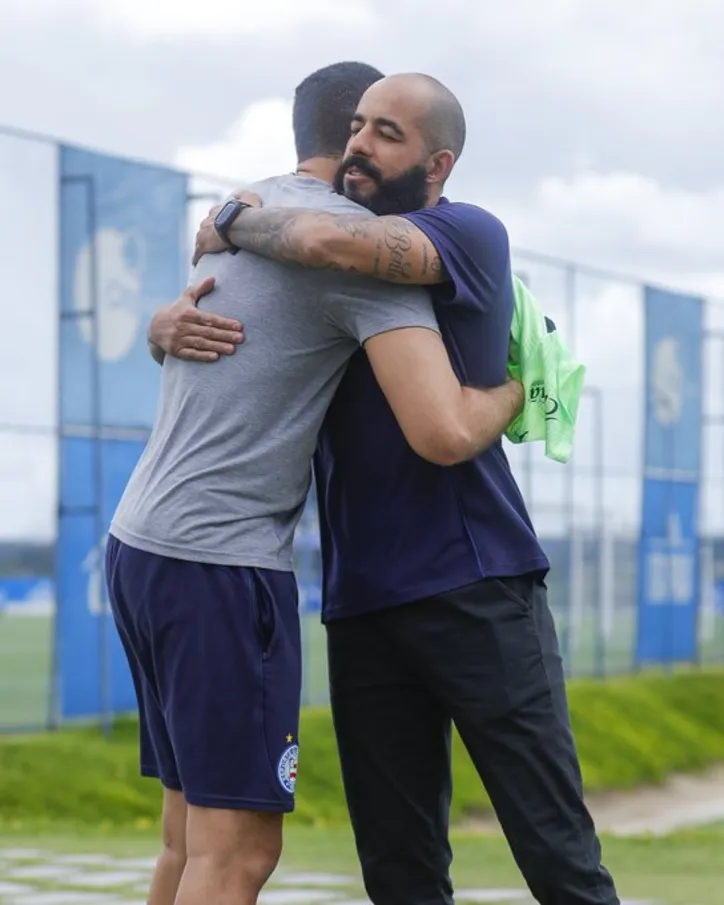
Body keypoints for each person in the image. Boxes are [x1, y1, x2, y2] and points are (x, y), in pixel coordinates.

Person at [157, 71, 621, 905]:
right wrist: (161, 326)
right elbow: (240, 316)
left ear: (437, 164)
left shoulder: (466, 231)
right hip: (364, 602)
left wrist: (232, 216)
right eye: (359, 128)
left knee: (557, 853)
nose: (361, 146)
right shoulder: (305, 245)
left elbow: (339, 249)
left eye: (388, 135)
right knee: (399, 872)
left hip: (477, 585)